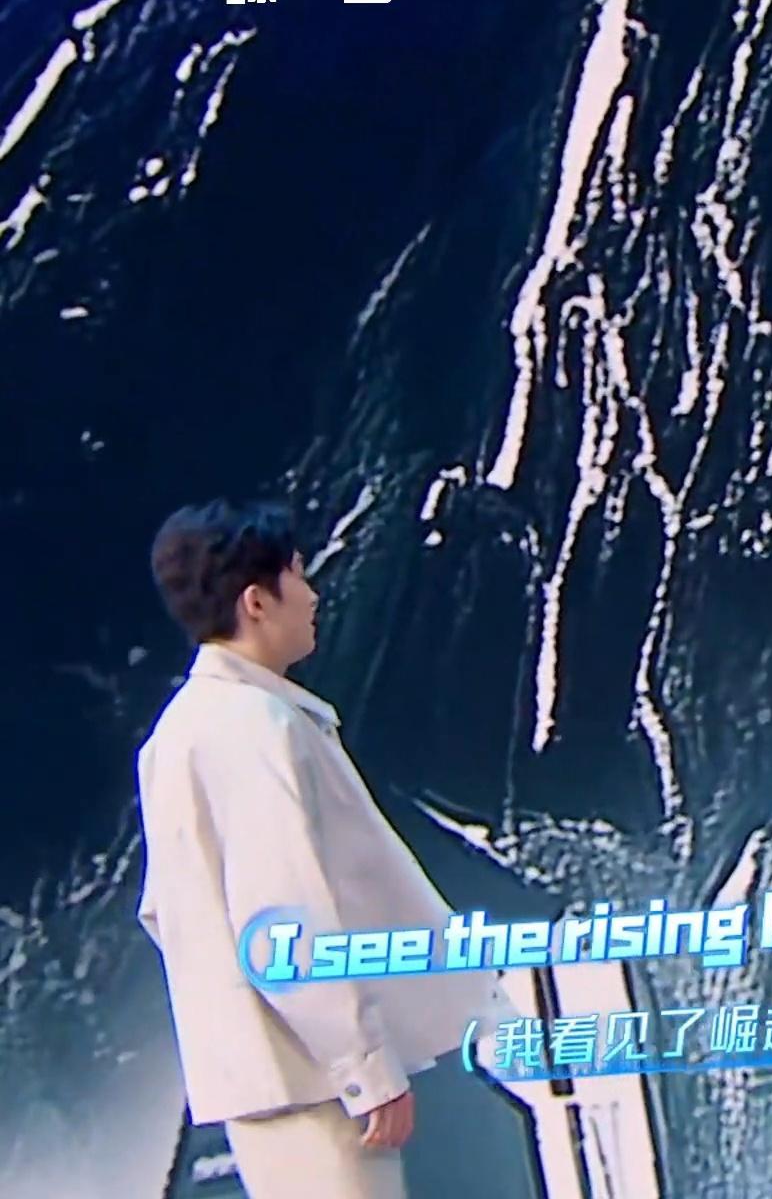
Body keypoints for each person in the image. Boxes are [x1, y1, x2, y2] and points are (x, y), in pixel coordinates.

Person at [136, 500, 510, 1199]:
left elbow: (166, 912)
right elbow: (285, 921)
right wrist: (361, 1066)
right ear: (256, 601)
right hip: (315, 1082)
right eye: (299, 577)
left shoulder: (180, 733)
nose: (313, 597)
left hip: (275, 1078)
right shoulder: (252, 726)